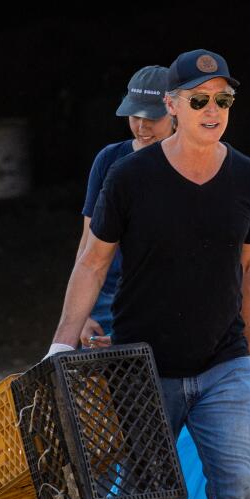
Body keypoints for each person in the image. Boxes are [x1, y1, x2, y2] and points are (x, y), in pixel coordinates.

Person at [47, 49, 250, 499]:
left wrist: (245, 350)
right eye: (198, 99)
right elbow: (92, 261)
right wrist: (63, 344)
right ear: (170, 105)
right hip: (142, 366)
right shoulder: (129, 176)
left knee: (235, 494)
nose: (212, 110)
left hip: (224, 363)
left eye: (223, 100)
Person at [77, 65, 173, 347]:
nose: (142, 126)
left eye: (152, 117)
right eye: (134, 116)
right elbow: (87, 242)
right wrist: (81, 314)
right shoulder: (108, 159)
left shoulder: (194, 165)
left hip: (169, 299)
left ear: (174, 111)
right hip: (109, 299)